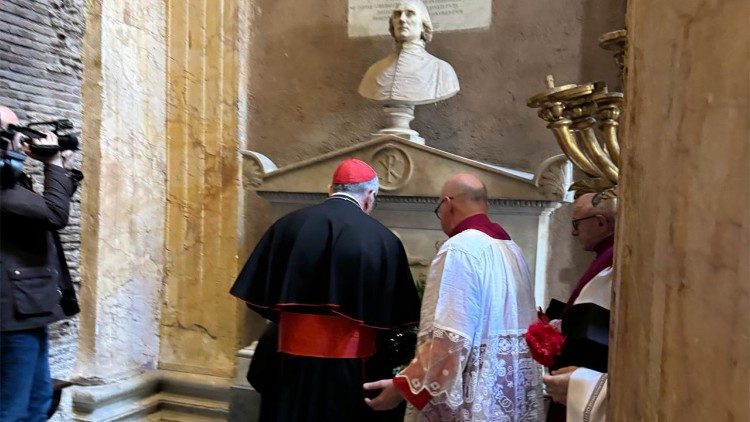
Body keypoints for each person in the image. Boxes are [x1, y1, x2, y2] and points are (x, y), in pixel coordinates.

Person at [229, 158, 421, 422]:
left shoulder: (287, 226)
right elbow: (397, 315)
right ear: (370, 196)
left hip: (289, 364)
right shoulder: (383, 239)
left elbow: (259, 296)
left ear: (330, 189)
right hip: (351, 370)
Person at [363, 173, 542, 421]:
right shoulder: (512, 249)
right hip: (505, 396)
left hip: (474, 400)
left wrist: (402, 388)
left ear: (448, 203)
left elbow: (450, 339)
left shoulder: (460, 249)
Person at [0, 106, 81, 420]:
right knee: (12, 408)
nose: (19, 139)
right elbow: (53, 214)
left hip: (27, 312)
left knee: (37, 401)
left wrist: (63, 167)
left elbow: (41, 211)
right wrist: (51, 165)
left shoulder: (11, 181)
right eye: (10, 132)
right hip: (10, 319)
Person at [543, 192, 616, 422]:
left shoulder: (613, 261)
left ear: (601, 222)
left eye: (577, 224)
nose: (574, 233)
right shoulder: (605, 256)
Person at [358, 0, 460, 105]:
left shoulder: (441, 71)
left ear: (422, 25)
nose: (401, 19)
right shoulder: (373, 71)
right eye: (397, 14)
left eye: (410, 14)